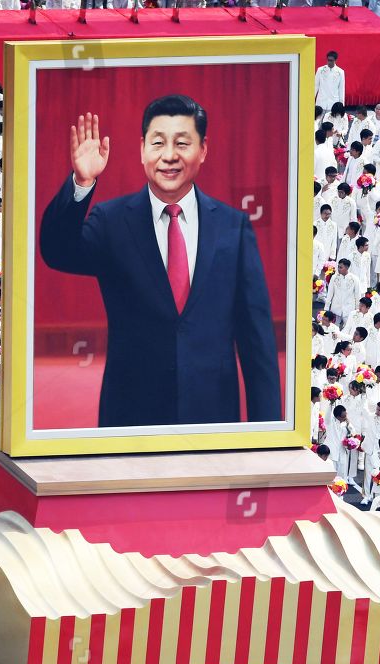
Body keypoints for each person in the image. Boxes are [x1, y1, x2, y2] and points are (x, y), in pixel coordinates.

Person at [39, 97, 282, 428]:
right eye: (158, 143)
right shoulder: (111, 221)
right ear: (142, 150)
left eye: (182, 143)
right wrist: (82, 184)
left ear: (203, 149)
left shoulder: (232, 227)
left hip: (213, 420)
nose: (169, 155)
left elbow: (258, 345)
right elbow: (57, 251)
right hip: (131, 417)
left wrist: (266, 435)